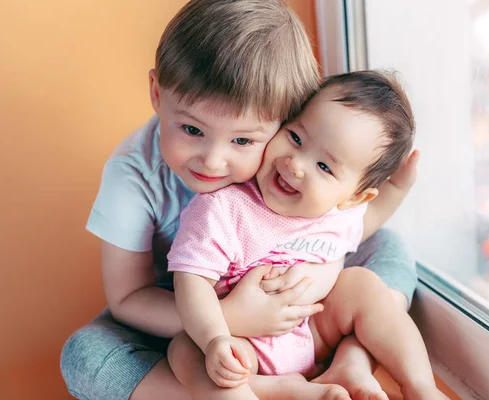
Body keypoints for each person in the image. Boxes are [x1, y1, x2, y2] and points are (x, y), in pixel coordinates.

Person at [60, 2, 418, 399]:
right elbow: (127, 299)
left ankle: (352, 361)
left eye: (243, 140)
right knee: (85, 354)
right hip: (185, 315)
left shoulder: (291, 167)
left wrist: (321, 274)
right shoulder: (133, 176)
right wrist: (227, 320)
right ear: (157, 94)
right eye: (192, 129)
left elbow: (340, 229)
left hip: (300, 317)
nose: (213, 160)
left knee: (388, 249)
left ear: (286, 119)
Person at [167, 71, 446, 400]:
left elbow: (372, 217)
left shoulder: (337, 214)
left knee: (363, 286)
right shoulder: (223, 208)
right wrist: (216, 339)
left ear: (354, 196)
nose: (296, 164)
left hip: (313, 332)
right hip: (244, 346)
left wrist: (399, 186)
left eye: (324, 167)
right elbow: (190, 280)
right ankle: (276, 391)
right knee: (184, 351)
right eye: (296, 137)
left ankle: (421, 386)